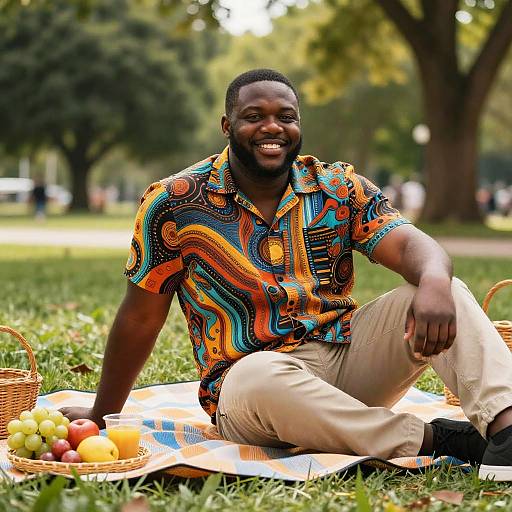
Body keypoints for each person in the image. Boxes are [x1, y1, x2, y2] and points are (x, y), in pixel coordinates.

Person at [61, 69, 512, 481]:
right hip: (251, 389)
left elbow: (412, 243)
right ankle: (441, 440)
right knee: (260, 375)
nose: (271, 127)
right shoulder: (176, 203)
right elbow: (140, 318)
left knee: (445, 286)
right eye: (253, 116)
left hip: (346, 358)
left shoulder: (337, 187)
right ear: (227, 126)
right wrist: (102, 415)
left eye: (286, 116)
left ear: (298, 125)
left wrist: (433, 282)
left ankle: (506, 430)